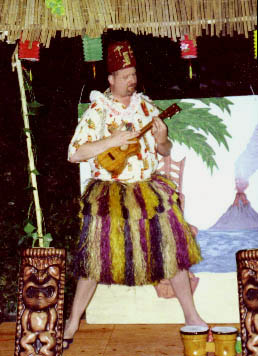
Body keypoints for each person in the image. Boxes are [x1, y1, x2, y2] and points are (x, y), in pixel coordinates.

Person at [64, 40, 206, 350]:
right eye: (125, 75)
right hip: (110, 194)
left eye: (133, 74)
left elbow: (164, 151)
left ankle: (192, 316)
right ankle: (73, 321)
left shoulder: (146, 106)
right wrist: (111, 140)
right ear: (111, 79)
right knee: (94, 262)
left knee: (173, 254)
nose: (132, 79)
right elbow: (74, 154)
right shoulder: (98, 111)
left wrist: (164, 139)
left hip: (148, 191)